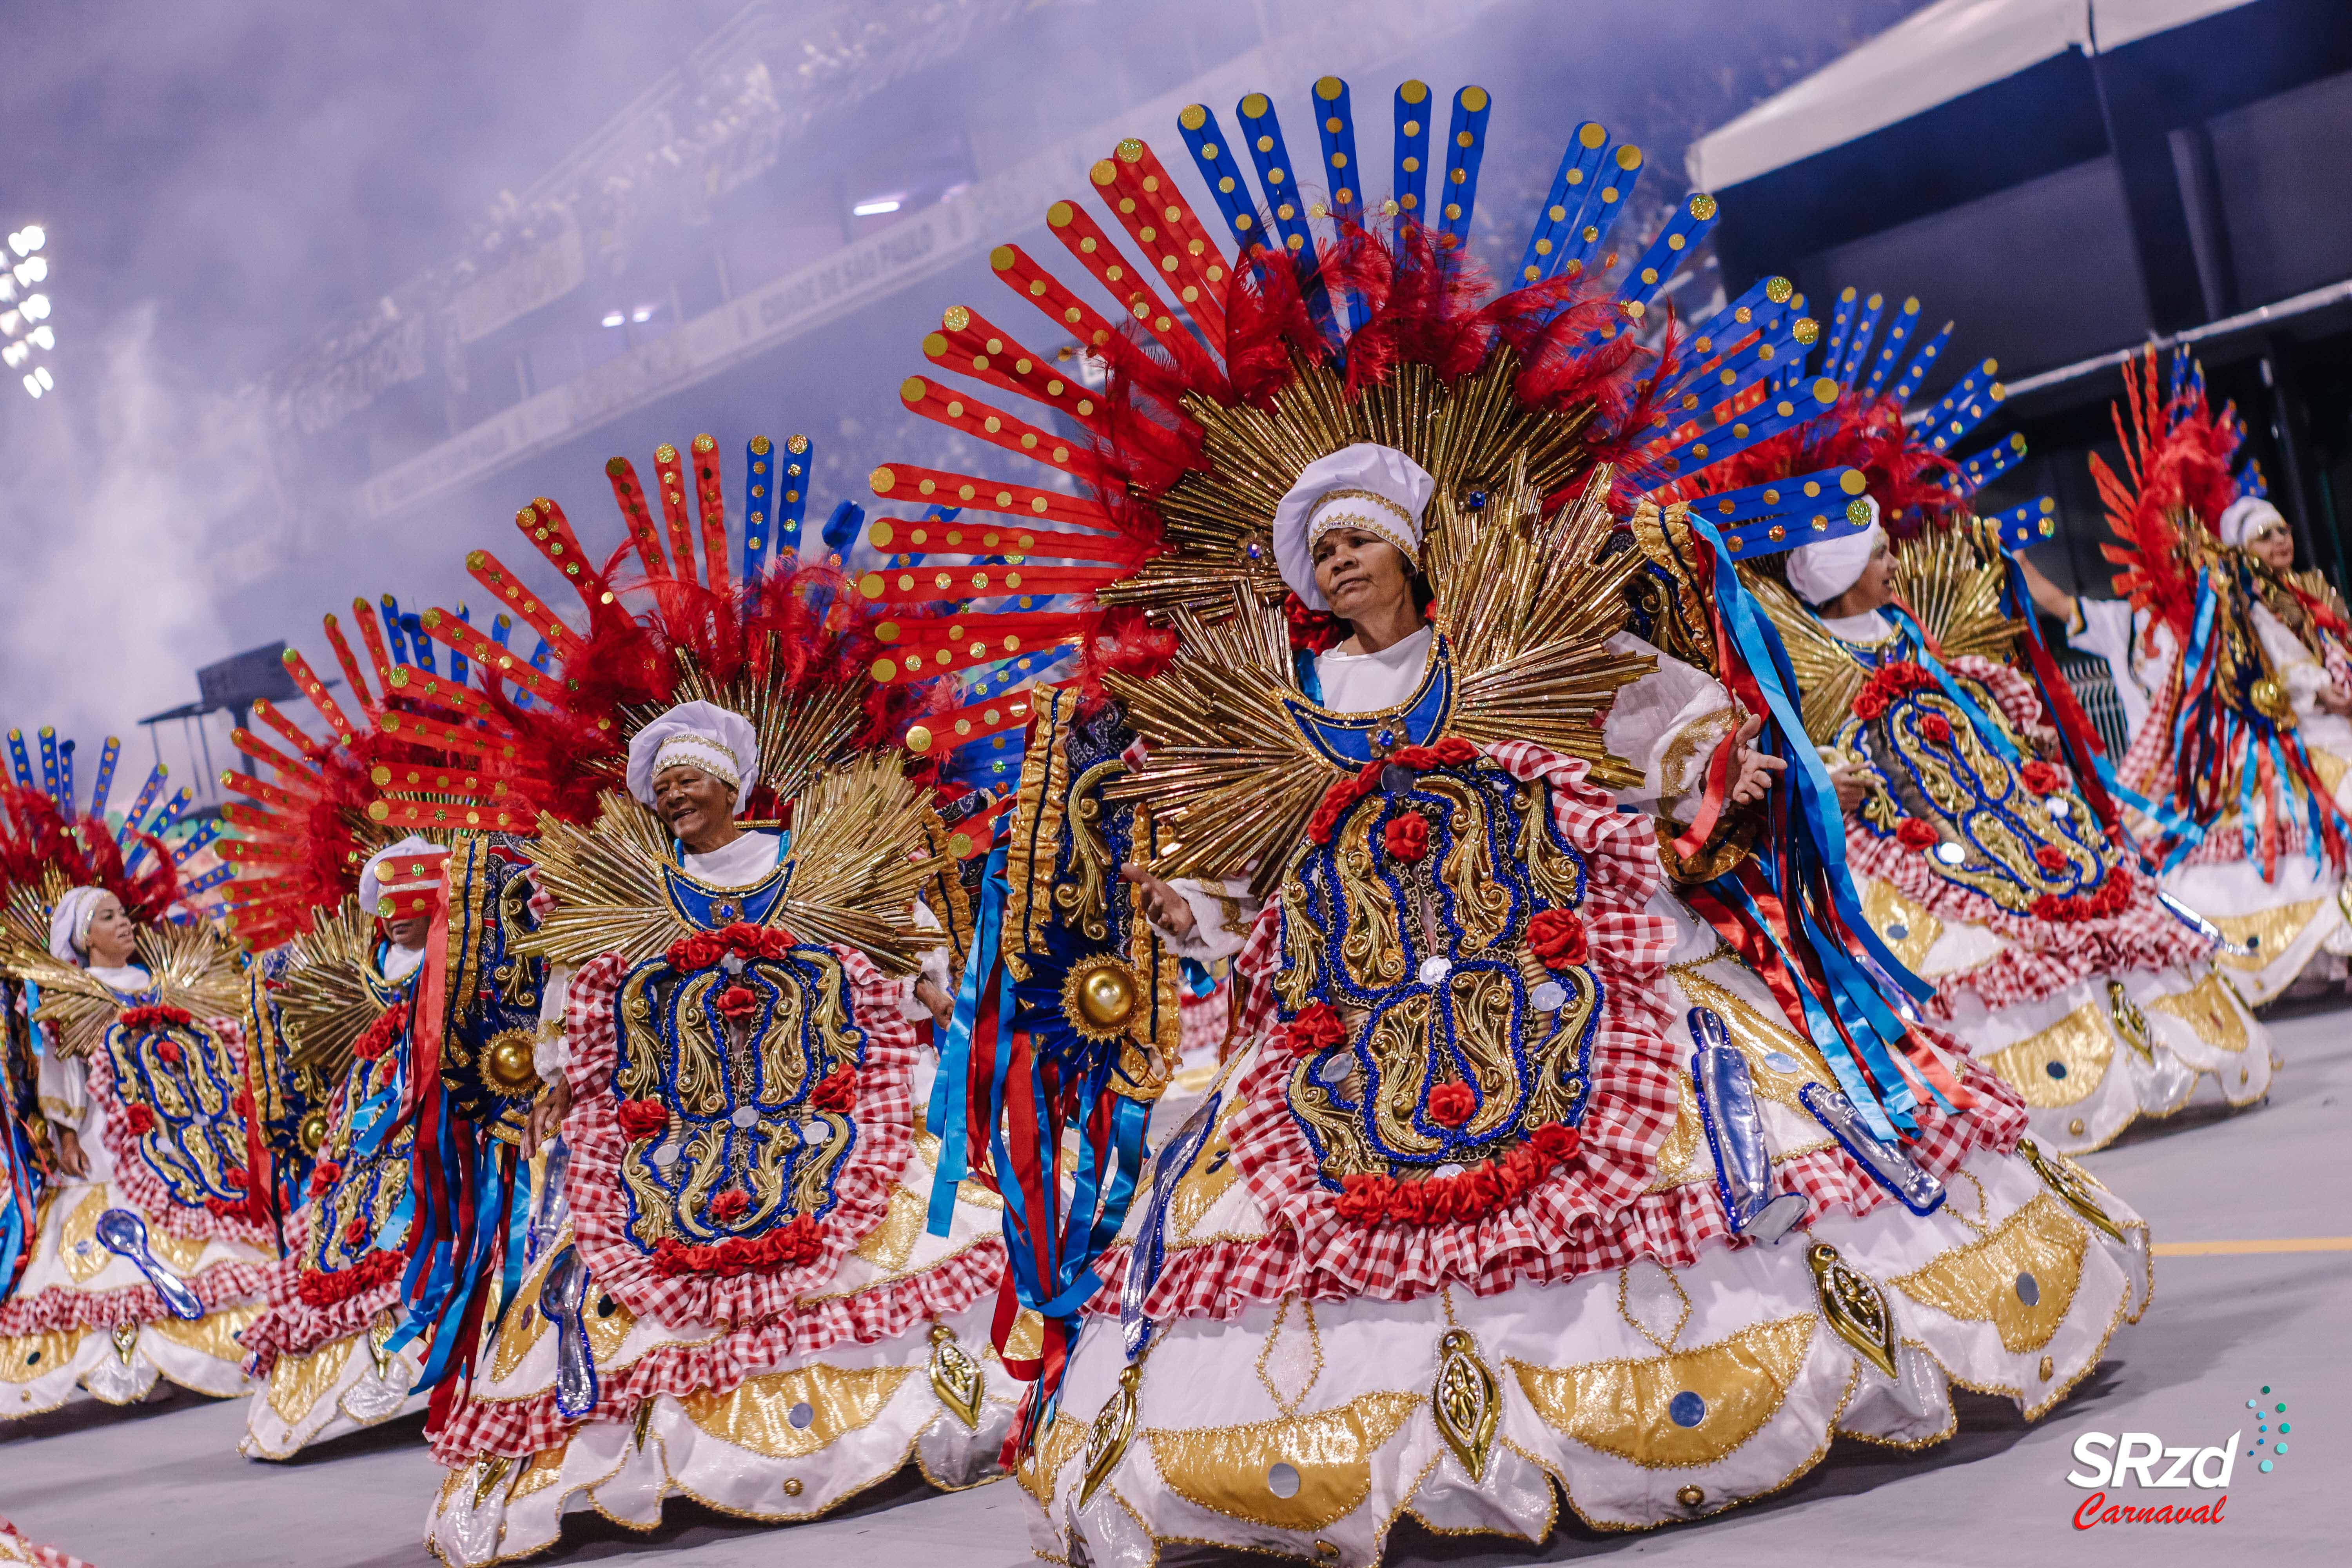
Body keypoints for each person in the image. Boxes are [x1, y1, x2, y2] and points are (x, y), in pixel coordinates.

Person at [418, 606, 1013, 1552]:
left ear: (731, 784)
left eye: (688, 779)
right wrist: (564, 1076)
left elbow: (895, 937)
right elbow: (577, 997)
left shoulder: (809, 858)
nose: (674, 797)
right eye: (662, 788)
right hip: (680, 1139)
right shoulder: (633, 890)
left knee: (919, 1224)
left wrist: (926, 989)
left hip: (830, 1112)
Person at [1758, 508, 2271, 1152]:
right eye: (1880, 555)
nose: (1895, 566)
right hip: (1906, 838)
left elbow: (1970, 705)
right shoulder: (1804, 657)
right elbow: (1804, 748)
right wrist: (1828, 782)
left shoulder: (1907, 631)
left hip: (2002, 812)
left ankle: (2158, 1054)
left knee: (2085, 885)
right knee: (1972, 940)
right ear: (1843, 571)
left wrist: (2017, 739)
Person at [2091, 352, 2352, 1003]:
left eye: (2285, 531)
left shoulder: (2309, 595)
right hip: (2277, 742)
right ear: (2241, 549)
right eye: (2265, 537)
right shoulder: (2239, 610)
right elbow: (2259, 672)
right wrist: (2318, 692)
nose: (2281, 544)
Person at [0, 804, 277, 1417]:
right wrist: (65, 1131)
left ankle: (204, 1343)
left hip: (176, 1142)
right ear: (83, 937)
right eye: (107, 918)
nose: (123, 924)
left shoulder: (160, 983)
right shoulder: (71, 997)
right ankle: (119, 1358)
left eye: (123, 914)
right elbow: (60, 1068)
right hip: (105, 1134)